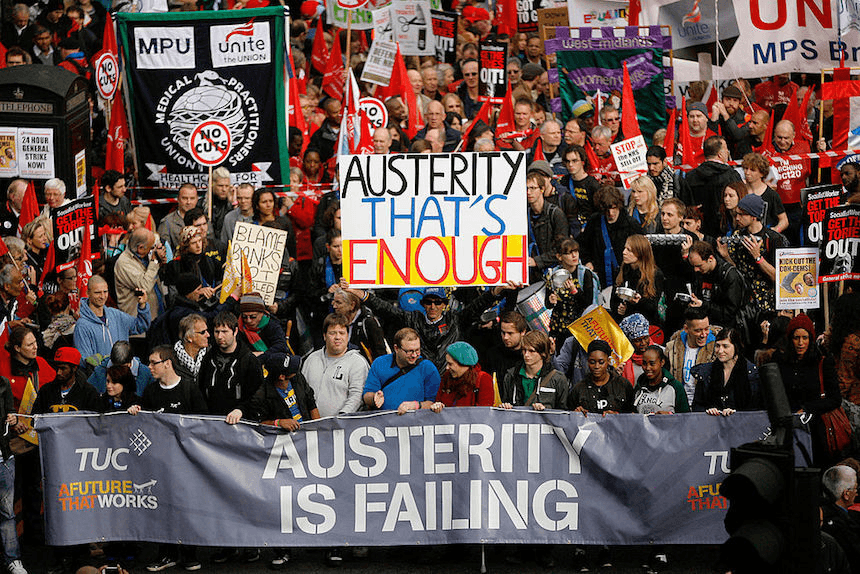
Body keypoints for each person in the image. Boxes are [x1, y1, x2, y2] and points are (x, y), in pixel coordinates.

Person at [224, 354, 320, 569]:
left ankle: (324, 543)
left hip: (308, 445)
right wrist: (278, 422)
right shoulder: (262, 393)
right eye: (291, 369)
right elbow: (257, 423)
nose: (296, 370)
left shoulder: (299, 379)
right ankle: (282, 549)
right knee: (282, 500)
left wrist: (318, 430)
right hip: (281, 451)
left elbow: (311, 402)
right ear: (281, 376)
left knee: (315, 492)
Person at [128, 345, 207, 572]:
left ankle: (189, 554)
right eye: (149, 362)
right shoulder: (152, 392)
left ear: (168, 363)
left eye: (154, 362)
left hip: (187, 462)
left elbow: (203, 423)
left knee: (188, 509)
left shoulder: (190, 389)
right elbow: (146, 423)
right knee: (162, 509)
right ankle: (167, 555)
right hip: (161, 463)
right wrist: (136, 411)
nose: (149, 367)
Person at [771, 314, 842, 466]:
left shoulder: (822, 362)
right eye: (796, 338)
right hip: (788, 430)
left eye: (805, 337)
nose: (801, 343)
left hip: (816, 433)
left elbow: (835, 399)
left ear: (811, 338)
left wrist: (808, 409)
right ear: (790, 339)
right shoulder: (781, 362)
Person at [718, 194, 789, 313]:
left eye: (742, 214)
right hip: (744, 302)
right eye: (737, 214)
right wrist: (726, 256)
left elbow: (780, 277)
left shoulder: (773, 239)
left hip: (767, 304)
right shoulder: (737, 236)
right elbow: (738, 270)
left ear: (754, 216)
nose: (737, 218)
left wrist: (758, 257)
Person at [198, 311, 263, 419]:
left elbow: (258, 394)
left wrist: (241, 410)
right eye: (216, 332)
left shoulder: (249, 361)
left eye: (224, 331)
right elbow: (200, 390)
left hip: (240, 422)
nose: (219, 336)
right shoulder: (208, 358)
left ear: (235, 331)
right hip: (211, 421)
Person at [301, 314, 369, 417]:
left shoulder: (358, 362)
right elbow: (301, 391)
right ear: (324, 336)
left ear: (348, 335)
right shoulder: (311, 359)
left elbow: (357, 397)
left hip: (341, 427)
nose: (337, 337)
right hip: (309, 426)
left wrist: (341, 418)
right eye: (332, 333)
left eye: (342, 333)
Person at [74, 275, 151, 366]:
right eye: (97, 292)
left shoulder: (115, 314)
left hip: (124, 373)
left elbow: (141, 326)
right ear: (88, 293)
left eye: (105, 292)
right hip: (103, 377)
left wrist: (142, 306)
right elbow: (85, 360)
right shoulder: (82, 325)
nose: (102, 296)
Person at [361, 327, 441, 414]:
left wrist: (415, 405)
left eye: (417, 350)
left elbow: (434, 403)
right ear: (396, 348)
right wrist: (374, 398)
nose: (414, 355)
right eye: (409, 351)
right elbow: (366, 396)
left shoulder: (428, 368)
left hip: (416, 422)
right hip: (384, 421)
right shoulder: (380, 363)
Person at [580, 185, 643, 289]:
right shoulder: (594, 221)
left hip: (625, 277)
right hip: (600, 276)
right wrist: (588, 261)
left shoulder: (631, 224)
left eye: (614, 208)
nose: (611, 213)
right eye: (606, 210)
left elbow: (641, 251)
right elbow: (583, 244)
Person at [680, 135, 742, 237]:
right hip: (726, 231)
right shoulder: (731, 175)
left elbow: (685, 205)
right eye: (726, 148)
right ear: (720, 154)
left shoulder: (690, 176)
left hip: (697, 232)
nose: (727, 152)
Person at [691, 328, 761, 415]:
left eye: (725, 346)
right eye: (717, 346)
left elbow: (757, 407)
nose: (720, 351)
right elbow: (697, 405)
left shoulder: (752, 373)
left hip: (742, 425)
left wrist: (737, 413)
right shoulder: (706, 372)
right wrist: (708, 411)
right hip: (713, 425)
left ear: (736, 346)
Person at [684, 240, 748, 331]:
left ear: (710, 259)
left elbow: (730, 312)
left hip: (727, 329)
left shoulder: (729, 275)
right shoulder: (701, 272)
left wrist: (703, 305)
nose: (696, 270)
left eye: (699, 266)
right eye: (693, 266)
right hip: (706, 325)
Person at [546, 238, 599, 347]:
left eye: (576, 251)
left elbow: (589, 305)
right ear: (559, 256)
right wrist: (551, 301)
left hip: (580, 328)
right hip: (558, 328)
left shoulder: (585, 274)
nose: (574, 256)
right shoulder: (553, 274)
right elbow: (548, 304)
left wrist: (575, 291)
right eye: (569, 253)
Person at [664, 307, 721, 404]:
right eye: (698, 331)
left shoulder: (718, 348)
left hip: (706, 407)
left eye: (706, 329)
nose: (703, 334)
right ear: (686, 329)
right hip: (679, 406)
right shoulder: (671, 348)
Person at [500, 330, 569, 410]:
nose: (526, 355)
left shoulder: (558, 379)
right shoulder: (511, 375)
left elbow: (563, 413)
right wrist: (505, 406)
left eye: (531, 351)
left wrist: (545, 410)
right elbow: (505, 404)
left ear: (543, 353)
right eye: (524, 350)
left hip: (544, 421)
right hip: (517, 421)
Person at [0, 370, 25, 574]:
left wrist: (13, 419)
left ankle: (13, 559)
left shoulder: (3, 384)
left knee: (7, 512)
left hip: (3, 459)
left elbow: (11, 415)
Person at [611, 234, 665, 327]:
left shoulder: (655, 274)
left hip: (647, 325)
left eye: (629, 250)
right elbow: (613, 300)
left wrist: (639, 302)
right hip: (624, 323)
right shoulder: (622, 270)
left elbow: (654, 307)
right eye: (625, 248)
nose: (624, 252)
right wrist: (619, 308)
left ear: (640, 253)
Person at [569, 339, 634, 415]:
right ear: (587, 362)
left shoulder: (623, 385)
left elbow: (632, 417)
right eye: (592, 362)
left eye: (601, 362)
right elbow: (569, 418)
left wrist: (617, 416)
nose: (597, 366)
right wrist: (576, 413)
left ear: (609, 361)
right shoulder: (579, 388)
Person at [114, 227, 167, 320]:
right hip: (138, 321)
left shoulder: (145, 256)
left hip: (156, 314)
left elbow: (155, 277)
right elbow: (144, 286)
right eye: (151, 247)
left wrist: (161, 262)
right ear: (140, 248)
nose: (153, 250)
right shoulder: (124, 263)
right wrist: (154, 261)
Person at [430, 341, 494, 412]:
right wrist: (437, 406)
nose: (447, 368)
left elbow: (485, 412)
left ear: (463, 364)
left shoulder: (483, 379)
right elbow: (439, 401)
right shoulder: (447, 377)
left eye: (450, 364)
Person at [32, 347, 100, 414]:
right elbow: (36, 419)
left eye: (63, 368)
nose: (58, 372)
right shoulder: (45, 391)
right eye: (57, 368)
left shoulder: (89, 393)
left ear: (74, 368)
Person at [526, 171, 569, 276]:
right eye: (526, 188)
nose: (528, 192)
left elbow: (562, 248)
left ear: (542, 189)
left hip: (553, 271)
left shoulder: (555, 213)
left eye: (532, 188)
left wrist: (537, 261)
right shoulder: (523, 214)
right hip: (532, 272)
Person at [329, 289, 387, 362]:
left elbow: (380, 354)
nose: (334, 306)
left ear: (352, 305)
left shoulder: (368, 322)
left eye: (338, 303)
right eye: (333, 302)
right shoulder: (337, 321)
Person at [821, 465, 860, 573]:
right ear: (846, 494)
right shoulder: (843, 528)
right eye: (856, 488)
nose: (856, 493)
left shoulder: (818, 515)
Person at [236, 292, 289, 367]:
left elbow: (281, 346)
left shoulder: (273, 325)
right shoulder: (239, 328)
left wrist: (262, 356)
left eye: (253, 317)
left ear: (262, 313)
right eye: (244, 317)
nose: (248, 320)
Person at [633, 345, 690, 414]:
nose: (647, 368)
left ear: (662, 362)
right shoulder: (639, 387)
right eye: (644, 363)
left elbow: (686, 418)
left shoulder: (675, 387)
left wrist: (669, 416)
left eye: (652, 364)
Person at [88, 340, 154, 396]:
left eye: (121, 367)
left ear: (129, 364)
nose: (118, 371)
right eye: (115, 366)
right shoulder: (100, 371)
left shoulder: (146, 373)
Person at [742, 152, 787, 233]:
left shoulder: (771, 195)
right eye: (745, 168)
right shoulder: (740, 191)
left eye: (752, 170)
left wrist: (775, 230)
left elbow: (784, 220)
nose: (747, 173)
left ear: (762, 173)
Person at [561, 144, 600, 233]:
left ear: (583, 162)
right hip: (570, 228)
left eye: (575, 161)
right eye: (568, 161)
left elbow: (599, 211)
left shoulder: (592, 184)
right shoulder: (564, 181)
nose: (570, 165)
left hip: (589, 229)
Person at [156, 183, 198, 250]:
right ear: (178, 199)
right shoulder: (167, 223)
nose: (188, 202)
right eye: (184, 198)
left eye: (192, 198)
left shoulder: (203, 220)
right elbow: (164, 251)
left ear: (197, 199)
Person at [171, 314, 209, 384]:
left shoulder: (211, 355)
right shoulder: (171, 360)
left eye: (207, 331)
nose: (208, 335)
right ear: (189, 337)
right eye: (203, 332)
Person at [619, 314, 654, 385]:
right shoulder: (622, 360)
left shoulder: (660, 353)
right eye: (638, 340)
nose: (643, 343)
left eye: (645, 338)